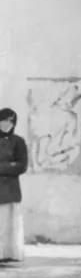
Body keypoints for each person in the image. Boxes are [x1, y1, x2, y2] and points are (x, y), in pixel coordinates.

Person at [0, 107, 28, 264]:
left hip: (10, 189)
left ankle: (8, 253)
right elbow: (14, 165)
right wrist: (9, 165)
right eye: (4, 120)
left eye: (11, 121)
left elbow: (22, 165)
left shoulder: (18, 142)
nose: (7, 124)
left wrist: (3, 167)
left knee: (9, 223)